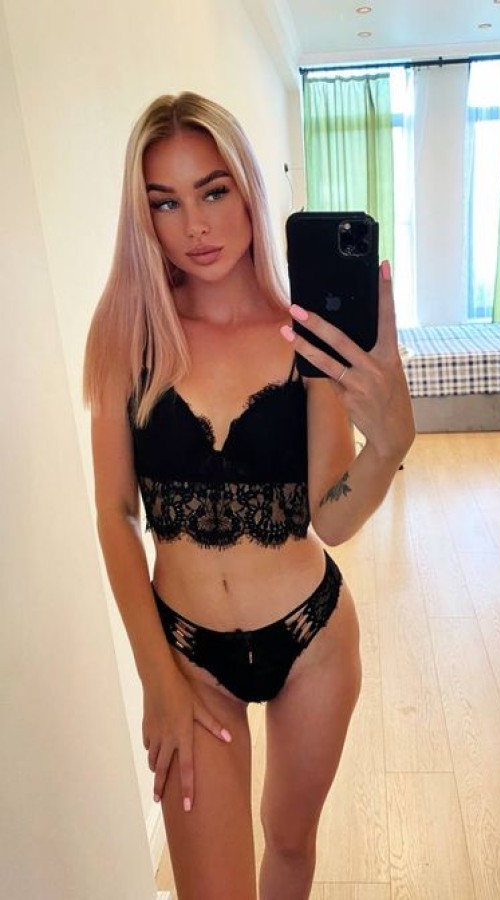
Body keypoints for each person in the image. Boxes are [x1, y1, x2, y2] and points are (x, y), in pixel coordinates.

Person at [83, 91, 414, 900]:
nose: (194, 225)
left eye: (213, 190)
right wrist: (156, 678)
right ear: (143, 217)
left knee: (290, 845)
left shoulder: (303, 335)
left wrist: (389, 447)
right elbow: (115, 516)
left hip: (312, 640)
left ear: (247, 190)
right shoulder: (131, 335)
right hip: (188, 660)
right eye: (166, 202)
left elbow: (331, 517)